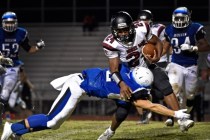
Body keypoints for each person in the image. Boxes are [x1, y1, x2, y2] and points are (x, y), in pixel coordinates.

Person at [1, 65, 191, 140]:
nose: (144, 93)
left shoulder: (126, 73)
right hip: (77, 85)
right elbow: (149, 105)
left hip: (82, 83)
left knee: (55, 123)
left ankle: (17, 132)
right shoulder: (127, 88)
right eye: (143, 89)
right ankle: (12, 128)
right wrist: (175, 114)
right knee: (52, 121)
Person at [101, 10, 193, 135]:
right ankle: (110, 132)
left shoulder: (142, 28)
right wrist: (122, 85)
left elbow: (157, 42)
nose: (123, 34)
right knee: (123, 110)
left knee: (165, 86)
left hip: (145, 65)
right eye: (119, 31)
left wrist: (157, 57)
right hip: (128, 74)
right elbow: (114, 69)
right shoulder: (110, 43)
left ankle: (181, 119)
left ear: (132, 27)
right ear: (114, 31)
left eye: (125, 30)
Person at [163, 7, 210, 124]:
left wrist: (193, 48)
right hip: (176, 64)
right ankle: (171, 115)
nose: (179, 21)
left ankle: (186, 113)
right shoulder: (169, 29)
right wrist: (156, 56)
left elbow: (207, 46)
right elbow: (165, 46)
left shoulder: (195, 28)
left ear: (188, 18)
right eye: (177, 18)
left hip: (191, 66)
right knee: (174, 89)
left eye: (182, 18)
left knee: (190, 95)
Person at [0, 11, 45, 124]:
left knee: (5, 93)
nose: (9, 25)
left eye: (12, 22)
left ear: (16, 23)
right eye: (7, 23)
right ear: (3, 23)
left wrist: (38, 47)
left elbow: (29, 49)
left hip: (12, 66)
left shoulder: (21, 33)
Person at [136, 9, 172, 124]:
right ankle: (143, 116)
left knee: (161, 91)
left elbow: (166, 43)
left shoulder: (159, 28)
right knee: (138, 88)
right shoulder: (136, 30)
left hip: (159, 61)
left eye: (146, 20)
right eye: (141, 20)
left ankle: (170, 115)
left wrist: (158, 55)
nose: (144, 23)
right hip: (143, 63)